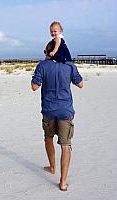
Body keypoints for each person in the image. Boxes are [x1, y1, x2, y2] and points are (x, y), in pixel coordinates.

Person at [31, 40, 83, 191]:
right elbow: (80, 84)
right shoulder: (70, 66)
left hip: (48, 110)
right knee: (66, 145)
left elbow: (34, 87)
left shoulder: (42, 65)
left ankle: (53, 167)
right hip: (65, 110)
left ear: (48, 52)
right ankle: (63, 181)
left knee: (48, 138)